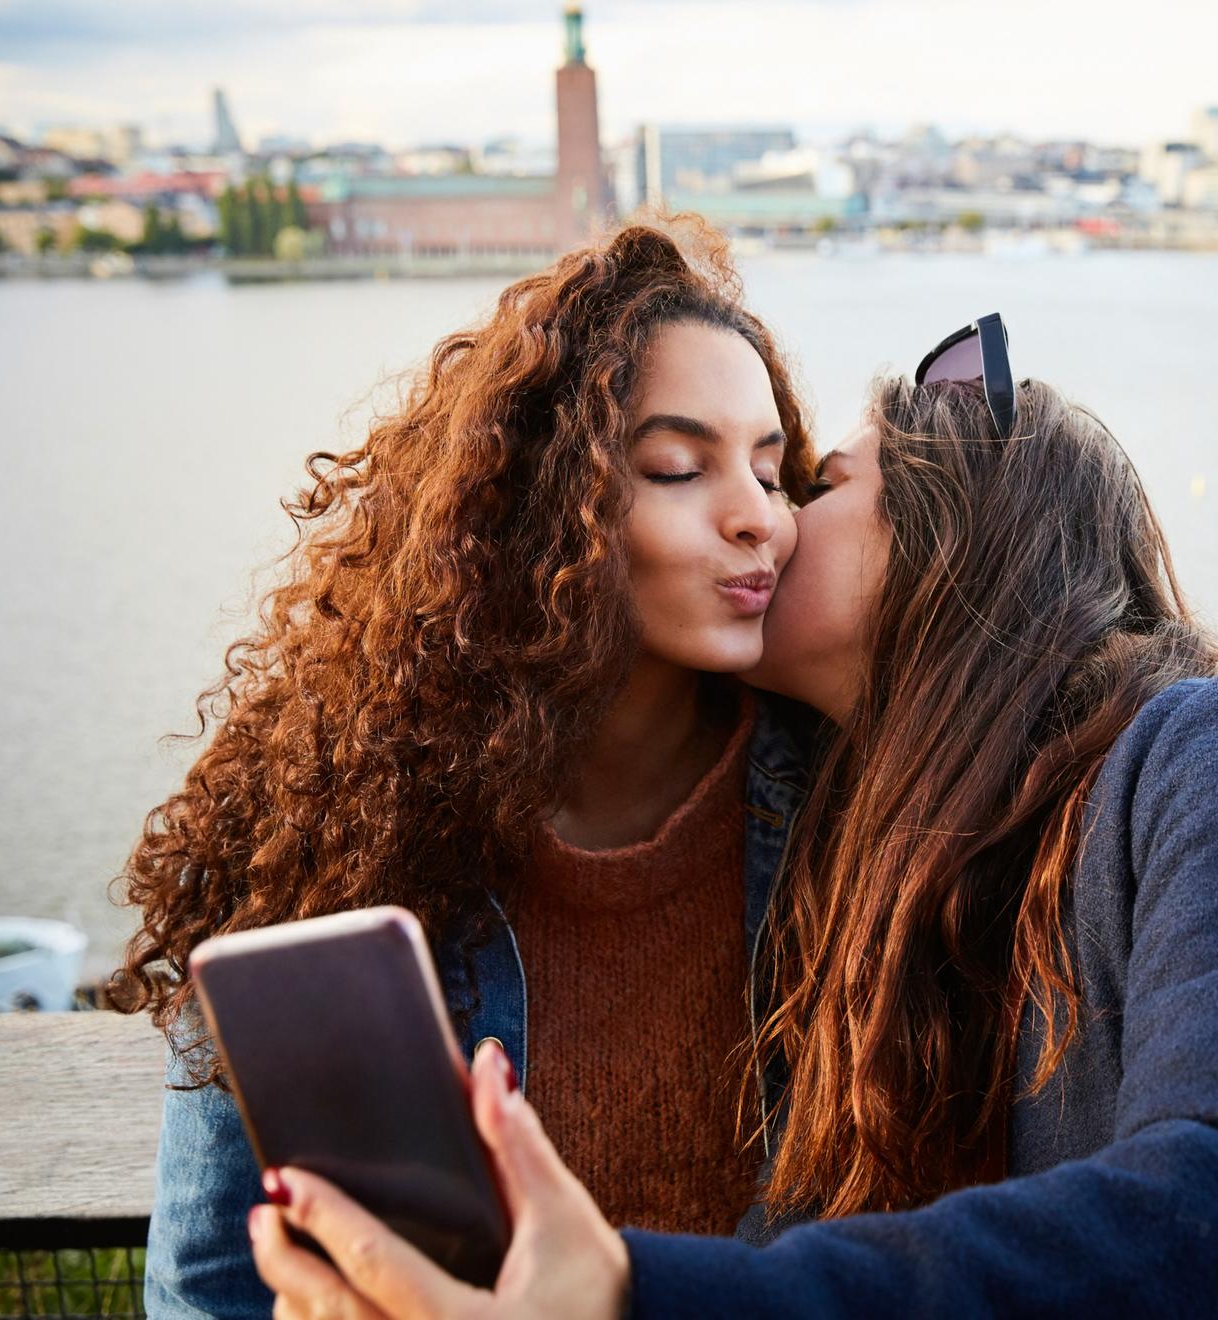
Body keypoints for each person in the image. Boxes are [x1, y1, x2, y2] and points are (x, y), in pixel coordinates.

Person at [249, 317, 1218, 1316]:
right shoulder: (897, 873)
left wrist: (627, 1296)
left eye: (812, 484)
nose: (763, 520)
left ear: (949, 542)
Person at [113, 216, 826, 1319]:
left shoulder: (848, 806)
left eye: (774, 473)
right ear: (543, 511)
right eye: (679, 468)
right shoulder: (342, 825)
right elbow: (210, 1285)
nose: (761, 522)